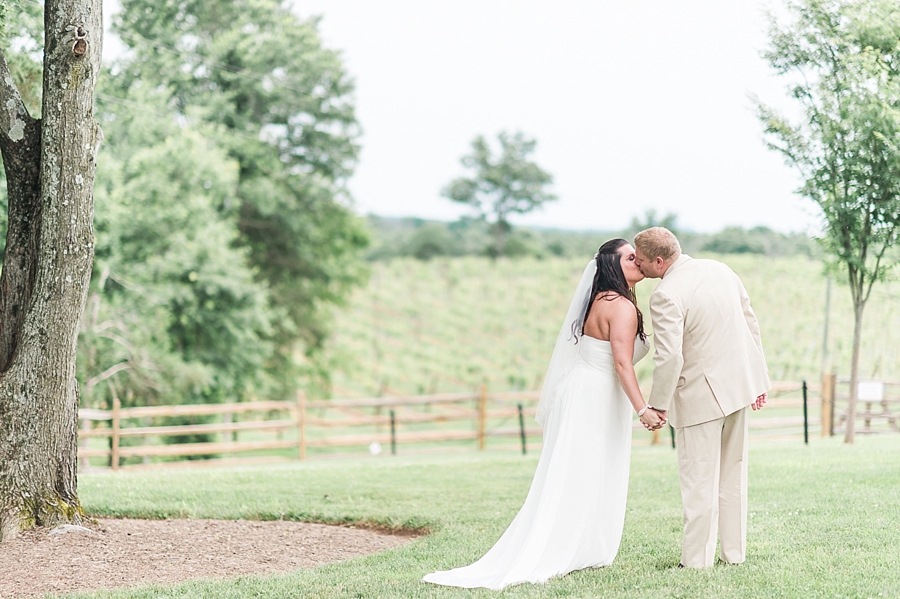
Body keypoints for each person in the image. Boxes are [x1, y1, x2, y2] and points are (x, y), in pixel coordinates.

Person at [422, 239, 662, 590]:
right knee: (581, 469)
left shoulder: (602, 300)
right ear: (612, 266)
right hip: (594, 395)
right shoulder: (620, 306)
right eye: (630, 257)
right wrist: (643, 408)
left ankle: (580, 545)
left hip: (587, 390)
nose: (638, 261)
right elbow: (623, 364)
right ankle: (564, 547)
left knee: (583, 468)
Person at [633, 227, 770, 569]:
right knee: (734, 474)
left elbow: (669, 357)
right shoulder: (721, 269)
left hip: (700, 398)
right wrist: (758, 379)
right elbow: (749, 322)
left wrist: (658, 405)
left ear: (660, 261)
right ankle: (734, 554)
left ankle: (696, 561)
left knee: (698, 480)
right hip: (739, 389)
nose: (639, 264)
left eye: (642, 260)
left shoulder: (665, 295)